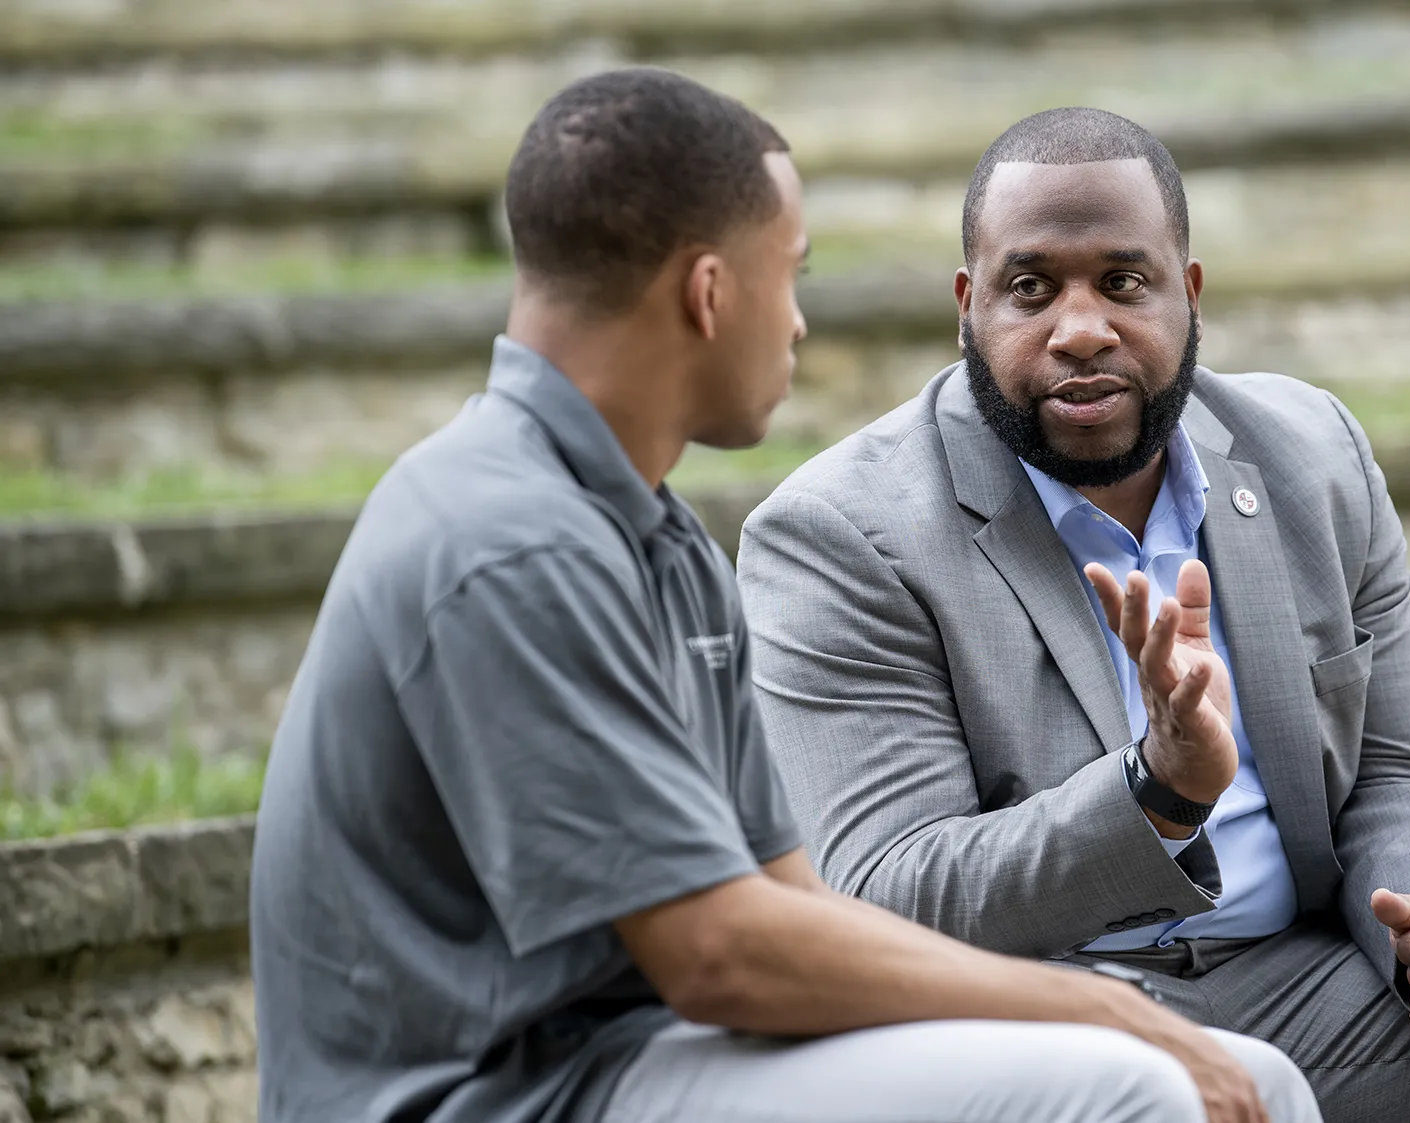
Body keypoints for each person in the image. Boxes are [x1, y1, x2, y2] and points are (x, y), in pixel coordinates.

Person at [249, 72, 1321, 1123]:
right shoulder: (504, 540)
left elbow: (789, 901)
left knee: (1248, 1077)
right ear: (708, 293)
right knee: (1136, 1088)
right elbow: (717, 955)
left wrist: (1102, 1014)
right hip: (497, 1091)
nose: (800, 325)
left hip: (639, 1055)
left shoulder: (652, 533)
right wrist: (1097, 1008)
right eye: (789, 276)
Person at [736, 107, 1410, 1120]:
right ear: (966, 305)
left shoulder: (1311, 454)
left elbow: (1400, 765)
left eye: (1122, 282)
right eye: (1029, 288)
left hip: (1295, 982)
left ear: (1189, 293)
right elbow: (890, 894)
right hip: (1034, 1018)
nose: (1080, 329)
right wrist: (1155, 797)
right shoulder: (843, 532)